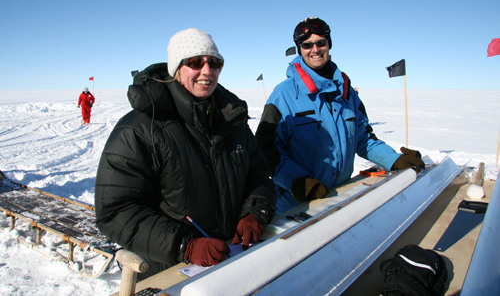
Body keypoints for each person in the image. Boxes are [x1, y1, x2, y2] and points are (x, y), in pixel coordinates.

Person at [95, 28, 277, 277]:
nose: (206, 71)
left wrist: (256, 212)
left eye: (214, 63)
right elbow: (116, 211)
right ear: (176, 68)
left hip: (233, 260)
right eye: (195, 62)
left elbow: (259, 174)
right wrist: (184, 245)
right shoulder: (140, 128)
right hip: (172, 271)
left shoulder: (232, 120)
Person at [255, 17, 424, 215]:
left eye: (321, 43)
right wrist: (297, 180)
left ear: (329, 44)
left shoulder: (347, 92)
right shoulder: (284, 94)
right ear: (299, 49)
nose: (315, 49)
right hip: (297, 206)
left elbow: (364, 139)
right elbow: (266, 149)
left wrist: (394, 160)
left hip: (339, 197)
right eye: (307, 45)